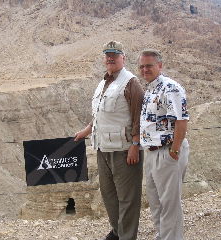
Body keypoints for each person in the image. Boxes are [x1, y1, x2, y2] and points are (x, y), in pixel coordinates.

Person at [74, 41, 144, 240]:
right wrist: (86, 130)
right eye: (107, 55)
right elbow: (99, 114)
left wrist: (135, 144)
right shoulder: (104, 82)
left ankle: (127, 236)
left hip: (124, 150)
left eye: (114, 54)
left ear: (123, 57)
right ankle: (117, 231)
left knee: (128, 199)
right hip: (103, 148)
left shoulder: (131, 82)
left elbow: (139, 115)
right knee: (109, 196)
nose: (110, 58)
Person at [138, 49, 189, 240]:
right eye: (142, 66)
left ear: (160, 65)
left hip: (167, 151)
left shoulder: (171, 88)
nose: (145, 69)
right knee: (156, 202)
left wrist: (174, 150)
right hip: (151, 153)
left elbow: (181, 121)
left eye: (149, 65)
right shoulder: (150, 88)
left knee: (169, 204)